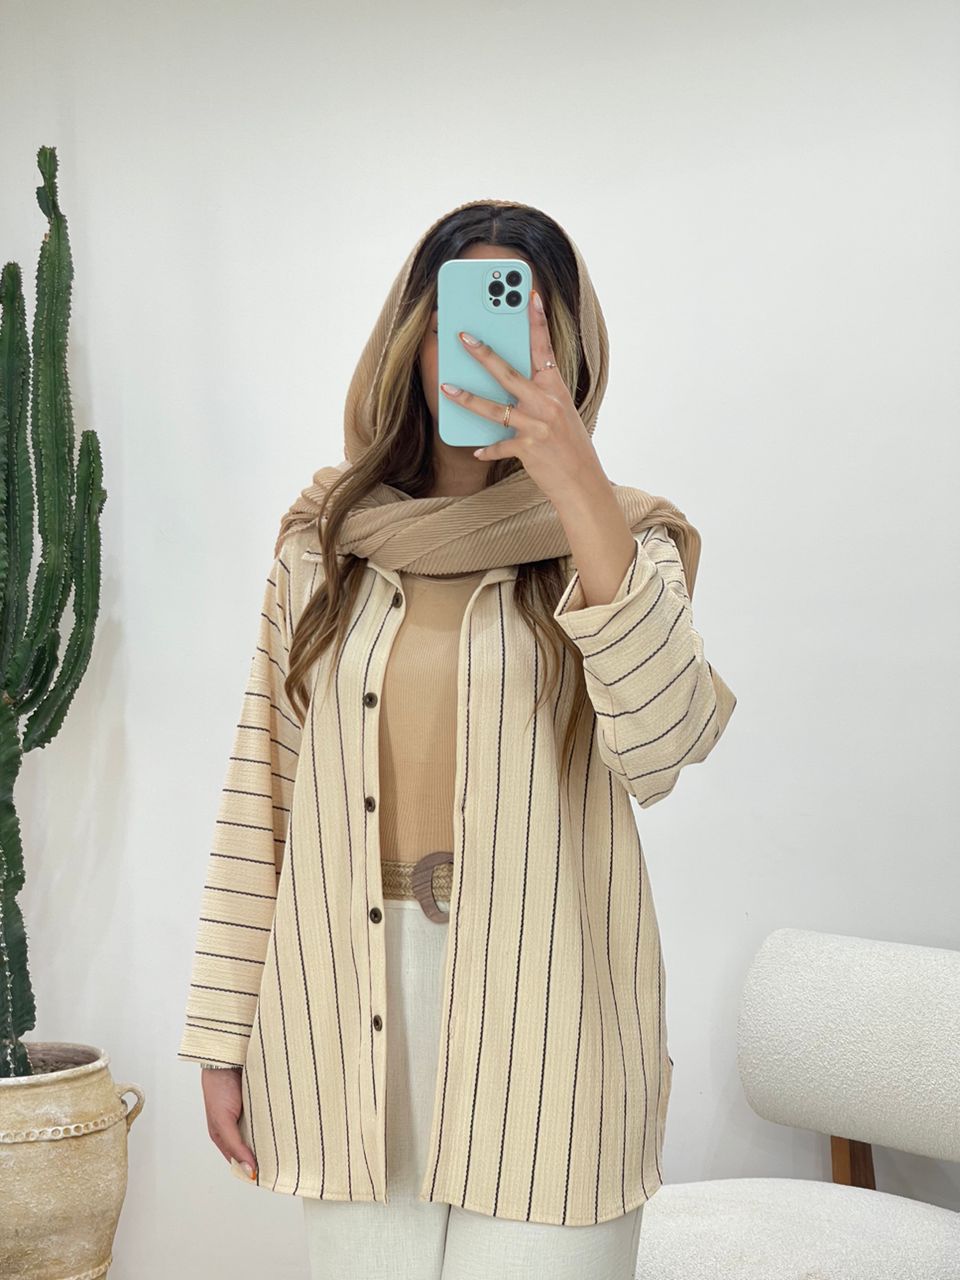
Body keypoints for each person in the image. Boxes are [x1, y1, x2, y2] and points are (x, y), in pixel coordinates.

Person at [178, 197, 737, 1279]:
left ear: (570, 352)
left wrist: (576, 483)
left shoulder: (624, 541)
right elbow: (262, 793)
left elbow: (664, 743)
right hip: (348, 1008)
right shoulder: (324, 546)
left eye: (519, 327)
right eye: (452, 322)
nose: (477, 352)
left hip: (555, 1009)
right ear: (411, 342)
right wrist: (222, 1031)